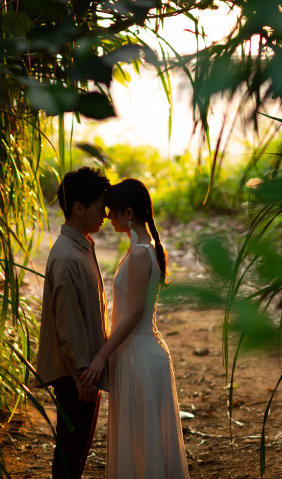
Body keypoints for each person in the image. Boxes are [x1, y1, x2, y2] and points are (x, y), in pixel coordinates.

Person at [81, 178, 189, 479]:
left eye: (112, 212)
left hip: (140, 356)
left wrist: (101, 354)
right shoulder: (141, 249)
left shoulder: (142, 252)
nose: (107, 217)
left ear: (128, 213)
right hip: (134, 355)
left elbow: (134, 314)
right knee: (141, 439)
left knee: (143, 441)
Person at [33, 166, 110, 479]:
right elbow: (68, 322)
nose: (105, 214)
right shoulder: (67, 257)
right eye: (99, 207)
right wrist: (82, 375)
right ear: (78, 209)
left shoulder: (81, 245)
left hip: (81, 368)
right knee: (72, 448)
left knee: (75, 447)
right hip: (75, 371)